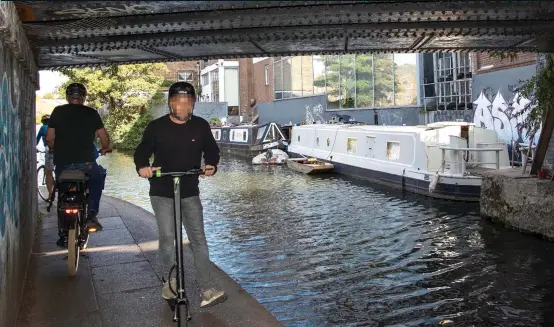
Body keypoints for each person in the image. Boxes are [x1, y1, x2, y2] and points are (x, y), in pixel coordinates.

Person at [133, 82, 226, 308]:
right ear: (170, 103)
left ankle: (207, 288)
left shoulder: (201, 126)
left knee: (199, 239)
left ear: (193, 104)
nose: (182, 107)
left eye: (187, 102)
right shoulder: (156, 127)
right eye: (178, 102)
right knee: (167, 237)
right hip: (162, 191)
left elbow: (212, 150)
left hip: (189, 191)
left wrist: (211, 164)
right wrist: (143, 166)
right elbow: (142, 150)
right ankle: (170, 282)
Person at [46, 82, 111, 239]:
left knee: (62, 192)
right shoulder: (91, 113)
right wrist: (105, 148)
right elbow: (103, 137)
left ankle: (62, 232)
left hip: (63, 163)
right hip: (86, 164)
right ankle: (92, 215)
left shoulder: (57, 111)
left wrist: (54, 148)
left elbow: (49, 138)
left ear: (68, 96)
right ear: (83, 97)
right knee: (98, 177)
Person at [36, 114, 54, 200]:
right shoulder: (56, 128)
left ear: (43, 122)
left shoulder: (43, 128)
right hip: (60, 149)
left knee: (48, 173)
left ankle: (50, 195)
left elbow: (36, 141)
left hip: (50, 150)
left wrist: (35, 149)